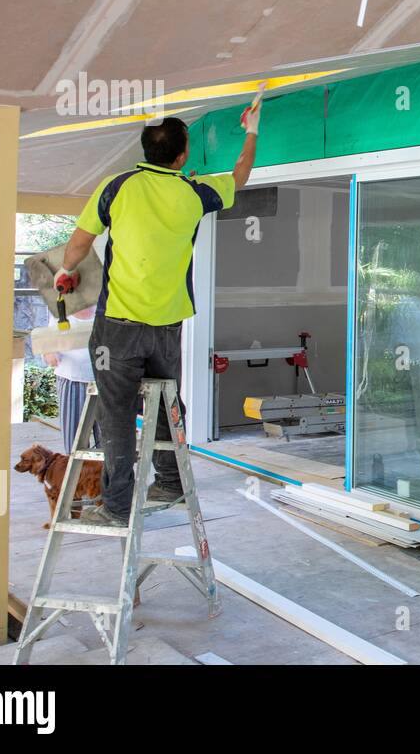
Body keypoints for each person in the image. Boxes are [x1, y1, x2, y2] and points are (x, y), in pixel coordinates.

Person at [55, 104, 260, 525]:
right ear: (182, 157)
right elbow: (240, 176)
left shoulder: (117, 186)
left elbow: (78, 245)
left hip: (118, 327)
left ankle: (115, 507)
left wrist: (65, 270)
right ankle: (170, 481)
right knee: (167, 405)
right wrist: (252, 131)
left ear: (145, 149)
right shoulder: (193, 191)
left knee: (116, 414)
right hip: (167, 326)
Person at [43, 305, 99, 454]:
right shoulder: (59, 307)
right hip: (71, 380)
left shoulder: (107, 303)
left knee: (109, 442)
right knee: (74, 444)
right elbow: (48, 343)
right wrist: (49, 352)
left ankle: (105, 477)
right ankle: (79, 477)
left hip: (104, 380)